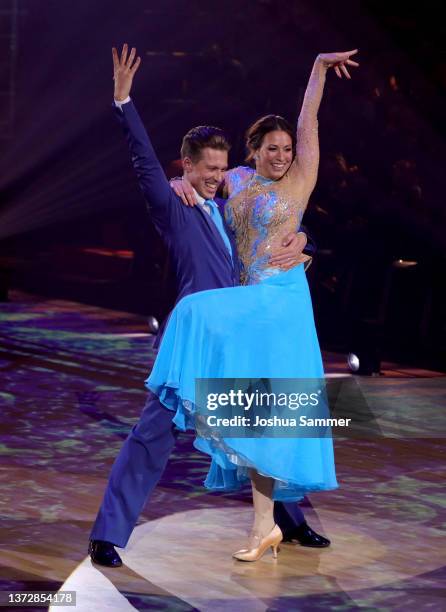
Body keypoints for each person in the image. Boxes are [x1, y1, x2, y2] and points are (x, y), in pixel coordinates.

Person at [89, 44, 327, 568]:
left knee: (263, 417)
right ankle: (107, 533)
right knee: (156, 433)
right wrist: (124, 103)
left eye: (222, 167)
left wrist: (303, 240)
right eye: (208, 168)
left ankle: (289, 521)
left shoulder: (227, 204)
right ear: (188, 166)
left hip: (240, 330)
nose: (217, 176)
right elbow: (145, 164)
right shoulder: (173, 206)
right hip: (197, 338)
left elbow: (274, 226)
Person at [147, 49, 360, 561]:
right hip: (248, 300)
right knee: (256, 415)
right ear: (255, 150)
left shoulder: (298, 182)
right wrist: (182, 183)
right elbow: (205, 191)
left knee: (200, 323)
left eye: (287, 148)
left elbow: (309, 119)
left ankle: (171, 377)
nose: (282, 155)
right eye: (272, 148)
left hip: (281, 305)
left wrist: (316, 68)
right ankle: (264, 527)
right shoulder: (238, 179)